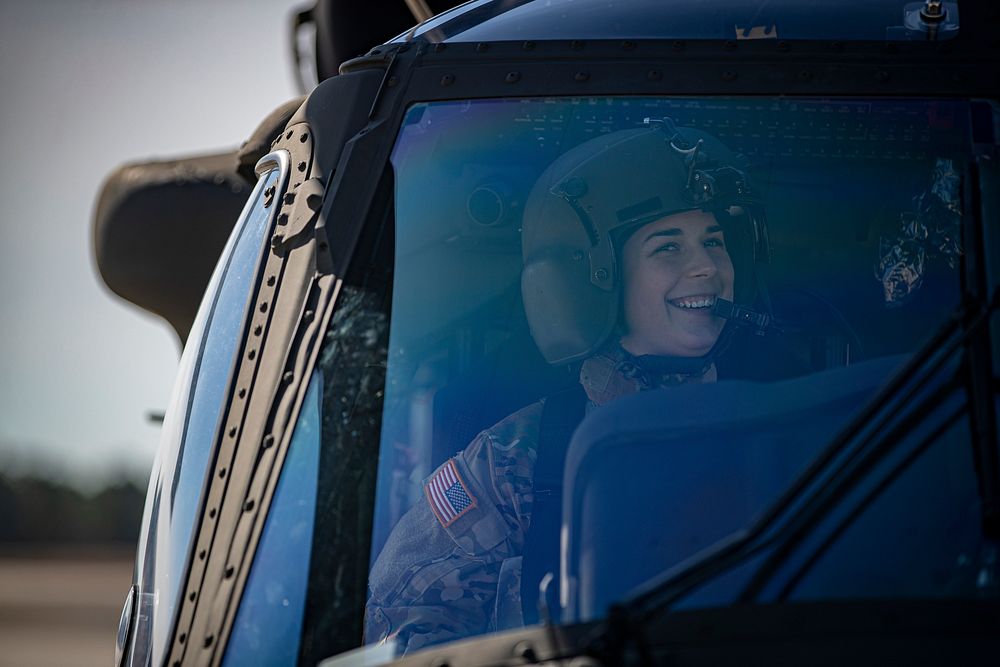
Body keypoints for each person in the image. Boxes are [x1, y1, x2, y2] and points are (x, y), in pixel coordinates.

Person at [364, 120, 766, 653]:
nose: (708, 267)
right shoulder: (509, 468)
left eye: (713, 241)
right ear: (594, 277)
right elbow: (406, 633)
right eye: (668, 248)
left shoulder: (783, 428)